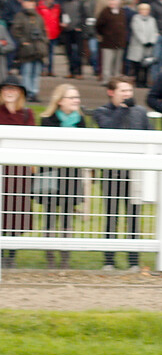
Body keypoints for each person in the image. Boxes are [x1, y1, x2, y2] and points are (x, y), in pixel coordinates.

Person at [93, 77, 151, 271]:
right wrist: (123, 109)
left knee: (133, 217)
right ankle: (109, 260)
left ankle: (133, 261)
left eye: (129, 91)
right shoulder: (101, 112)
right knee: (111, 216)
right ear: (111, 92)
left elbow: (151, 136)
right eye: (123, 91)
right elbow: (108, 129)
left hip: (134, 173)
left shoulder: (140, 112)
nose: (127, 94)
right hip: (111, 172)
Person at [38, 84, 86, 269]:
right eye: (72, 97)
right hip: (51, 174)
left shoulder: (80, 120)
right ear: (60, 101)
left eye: (77, 97)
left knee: (67, 216)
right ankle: (50, 258)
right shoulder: (47, 120)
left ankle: (65, 258)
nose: (76, 100)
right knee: (50, 216)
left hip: (71, 175)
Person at [0, 76, 34, 268]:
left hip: (19, 171)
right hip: (0, 169)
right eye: (6, 88)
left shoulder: (27, 115)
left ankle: (10, 255)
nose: (9, 92)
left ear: (19, 92)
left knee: (15, 211)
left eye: (13, 89)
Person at [10, 0, 47, 102]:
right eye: (28, 2)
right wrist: (23, 41)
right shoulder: (20, 16)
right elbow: (16, 31)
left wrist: (43, 42)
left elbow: (44, 31)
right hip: (26, 50)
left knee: (36, 73)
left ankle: (34, 92)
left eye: (32, 2)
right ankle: (27, 92)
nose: (30, 4)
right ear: (23, 3)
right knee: (27, 72)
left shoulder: (38, 17)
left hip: (38, 48)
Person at [94, 0, 128, 84]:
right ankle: (106, 80)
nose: (112, 2)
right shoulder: (105, 12)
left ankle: (116, 81)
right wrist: (104, 34)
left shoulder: (122, 12)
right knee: (107, 63)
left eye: (114, 0)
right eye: (110, 0)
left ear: (118, 2)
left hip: (120, 42)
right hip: (108, 42)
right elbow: (98, 25)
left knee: (117, 63)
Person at [126, 2, 159, 88]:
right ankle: (138, 81)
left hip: (149, 46)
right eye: (143, 10)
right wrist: (144, 41)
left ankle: (145, 82)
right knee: (137, 65)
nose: (145, 11)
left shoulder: (152, 19)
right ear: (139, 10)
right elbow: (136, 31)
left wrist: (152, 41)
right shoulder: (136, 19)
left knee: (146, 65)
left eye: (146, 10)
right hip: (138, 45)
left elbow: (154, 31)